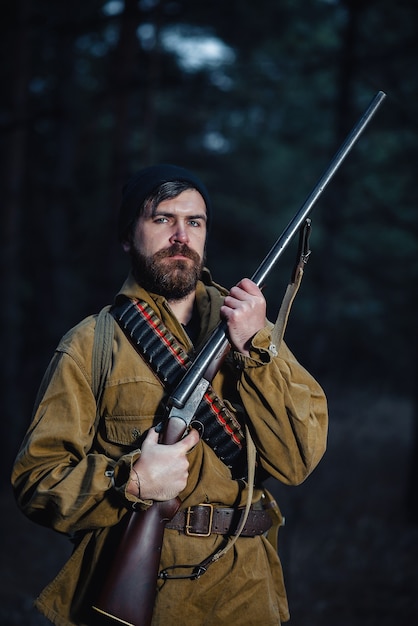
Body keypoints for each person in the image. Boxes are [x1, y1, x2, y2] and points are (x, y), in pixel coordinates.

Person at [11, 164, 328, 626]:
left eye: (194, 222)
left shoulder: (251, 331)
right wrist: (131, 482)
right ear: (127, 236)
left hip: (246, 591)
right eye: (162, 219)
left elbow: (298, 459)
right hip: (149, 591)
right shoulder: (89, 344)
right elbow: (37, 480)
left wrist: (257, 344)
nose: (181, 235)